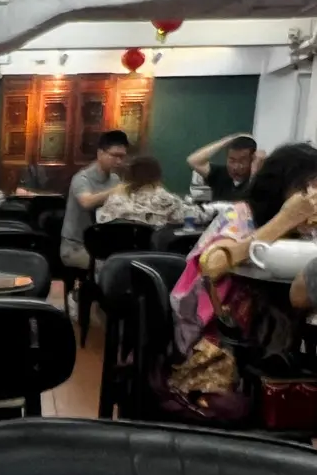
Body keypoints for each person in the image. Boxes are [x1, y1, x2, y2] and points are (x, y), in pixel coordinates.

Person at [169, 142, 317, 404]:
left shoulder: (309, 229)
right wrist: (283, 221)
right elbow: (213, 265)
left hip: (283, 331)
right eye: (305, 188)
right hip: (225, 336)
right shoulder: (242, 214)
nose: (311, 197)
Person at [60, 130, 130, 269]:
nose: (119, 161)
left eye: (122, 157)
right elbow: (86, 202)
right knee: (112, 269)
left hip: (103, 246)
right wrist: (115, 191)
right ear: (100, 153)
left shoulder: (115, 179)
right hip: (76, 248)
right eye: (115, 156)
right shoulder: (81, 178)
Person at [98, 155, 185, 227]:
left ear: (129, 175)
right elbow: (183, 219)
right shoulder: (166, 200)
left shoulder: (114, 199)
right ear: (158, 175)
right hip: (152, 242)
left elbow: (101, 221)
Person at [187, 133, 263, 202]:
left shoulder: (258, 182)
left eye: (241, 161)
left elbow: (247, 200)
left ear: (252, 159)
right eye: (232, 160)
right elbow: (193, 161)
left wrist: (254, 173)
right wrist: (227, 141)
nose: (236, 167)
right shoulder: (220, 174)